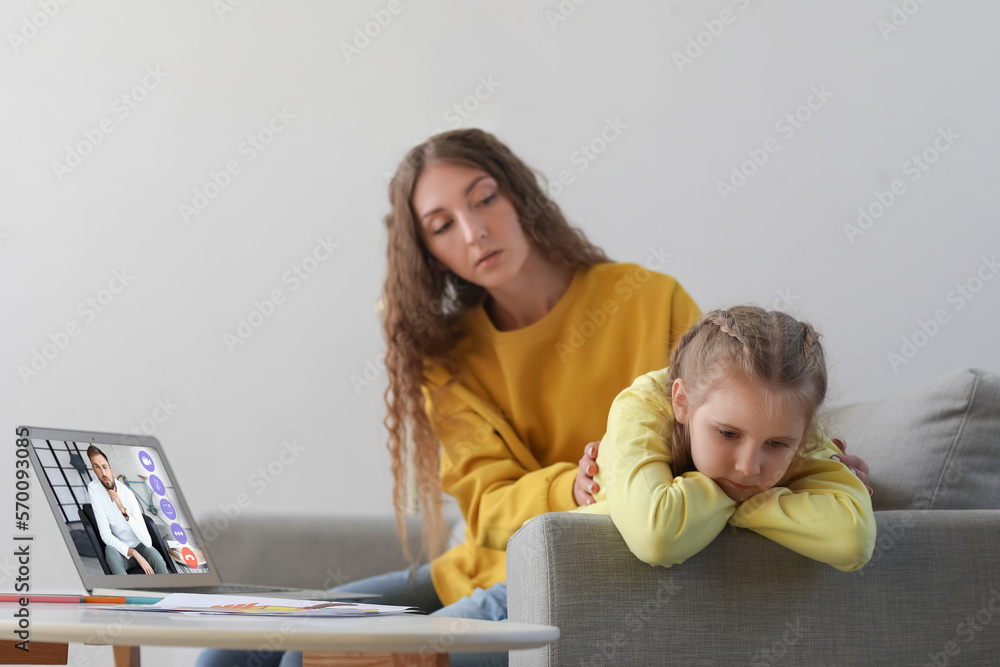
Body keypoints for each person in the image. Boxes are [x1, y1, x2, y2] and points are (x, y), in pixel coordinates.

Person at [195, 130, 870, 667]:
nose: (474, 231)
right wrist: (569, 488)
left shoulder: (645, 298)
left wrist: (808, 460)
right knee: (234, 644)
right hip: (475, 565)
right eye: (442, 224)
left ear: (519, 197)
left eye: (484, 199)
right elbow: (487, 510)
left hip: (578, 560)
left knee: (313, 658)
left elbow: (729, 419)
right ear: (429, 253)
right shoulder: (448, 358)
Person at [575, 306, 876, 571]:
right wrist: (773, 505)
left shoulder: (797, 423)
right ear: (681, 401)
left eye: (778, 444)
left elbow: (852, 540)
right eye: (728, 434)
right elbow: (656, 538)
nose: (749, 468)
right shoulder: (642, 404)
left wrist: (707, 511)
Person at [86, 445, 169, 575]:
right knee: (110, 551)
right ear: (93, 470)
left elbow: (147, 541)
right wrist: (133, 553)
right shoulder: (94, 488)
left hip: (141, 546)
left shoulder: (127, 494)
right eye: (97, 467)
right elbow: (105, 535)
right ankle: (130, 592)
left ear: (112, 470)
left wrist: (123, 510)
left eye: (104, 467)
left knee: (157, 558)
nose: (103, 473)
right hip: (122, 551)